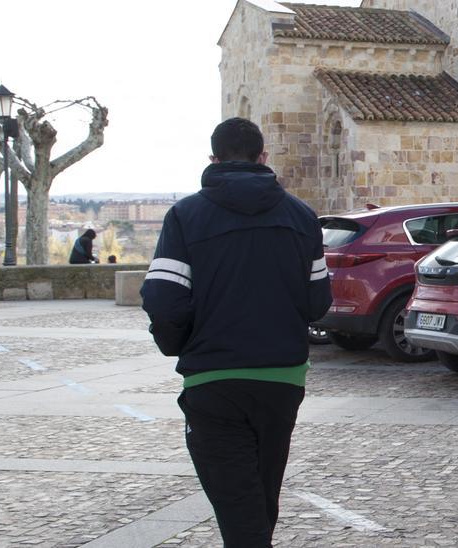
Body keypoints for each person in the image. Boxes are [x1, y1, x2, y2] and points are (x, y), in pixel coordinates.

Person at [141, 117, 331, 547]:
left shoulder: (185, 216)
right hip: (282, 380)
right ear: (263, 158)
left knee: (238, 505)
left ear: (213, 159)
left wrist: (178, 345)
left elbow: (163, 300)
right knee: (259, 500)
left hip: (214, 379)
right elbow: (318, 302)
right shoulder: (302, 217)